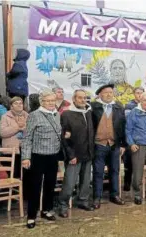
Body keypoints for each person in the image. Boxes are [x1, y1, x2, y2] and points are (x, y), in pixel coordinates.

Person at [21, 89, 62, 229]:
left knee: (50, 185)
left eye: (53, 100)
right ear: (42, 102)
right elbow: (27, 138)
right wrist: (26, 157)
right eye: (48, 101)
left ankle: (46, 210)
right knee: (35, 187)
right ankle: (31, 216)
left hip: (53, 156)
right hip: (37, 156)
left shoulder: (57, 115)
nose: (51, 103)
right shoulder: (34, 115)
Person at [58, 90, 95, 218]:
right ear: (74, 99)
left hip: (88, 153)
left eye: (85, 98)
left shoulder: (89, 113)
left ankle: (83, 201)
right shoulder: (66, 114)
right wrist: (70, 155)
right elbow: (64, 138)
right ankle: (63, 205)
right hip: (74, 155)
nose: (83, 100)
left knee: (86, 181)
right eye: (80, 98)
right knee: (70, 182)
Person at [91, 84, 127, 209]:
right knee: (98, 172)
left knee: (115, 171)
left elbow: (123, 126)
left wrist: (123, 144)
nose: (108, 94)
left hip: (114, 144)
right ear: (100, 94)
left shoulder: (118, 107)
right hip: (98, 144)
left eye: (110, 92)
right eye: (105, 92)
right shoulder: (93, 107)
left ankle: (114, 195)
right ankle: (97, 197)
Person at [0, 97, 28, 178]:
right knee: (14, 175)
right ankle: (12, 189)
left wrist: (25, 129)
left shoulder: (28, 116)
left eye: (21, 103)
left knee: (26, 174)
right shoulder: (5, 116)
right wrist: (17, 128)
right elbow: (2, 133)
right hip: (11, 150)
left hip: (25, 150)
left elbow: (32, 132)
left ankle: (24, 190)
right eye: (16, 103)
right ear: (11, 106)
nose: (19, 105)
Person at [123, 86, 144, 191]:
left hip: (142, 138)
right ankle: (127, 183)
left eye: (141, 93)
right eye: (137, 93)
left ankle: (138, 184)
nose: (139, 95)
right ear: (134, 94)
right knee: (129, 162)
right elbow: (128, 120)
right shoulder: (129, 105)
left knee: (139, 163)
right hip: (131, 137)